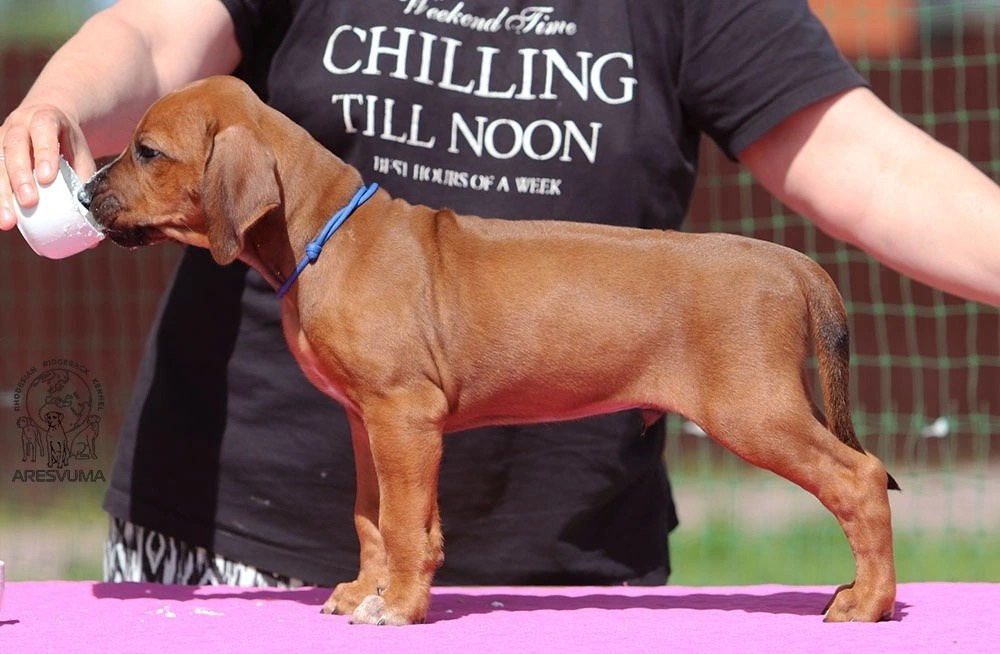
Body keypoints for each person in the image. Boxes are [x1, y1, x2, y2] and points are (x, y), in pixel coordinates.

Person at [2, 0, 998, 590]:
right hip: (233, 545)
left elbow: (865, 162)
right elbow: (150, 31)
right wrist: (59, 102)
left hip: (573, 566)